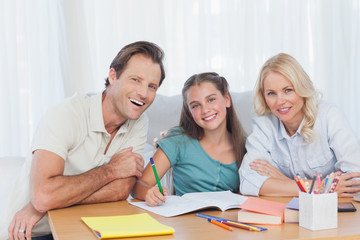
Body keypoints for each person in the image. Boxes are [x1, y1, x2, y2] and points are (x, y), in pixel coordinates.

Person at [3, 41, 166, 240]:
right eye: (135, 80)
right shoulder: (66, 114)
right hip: (28, 232)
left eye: (152, 86)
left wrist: (52, 200)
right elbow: (44, 195)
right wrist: (111, 170)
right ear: (113, 76)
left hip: (85, 228)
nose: (144, 93)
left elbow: (121, 189)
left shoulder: (138, 121)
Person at [239, 53, 360, 197]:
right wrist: (322, 187)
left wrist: (284, 182)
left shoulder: (329, 115)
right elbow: (248, 182)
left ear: (302, 88)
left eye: (288, 90)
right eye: (271, 93)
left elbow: (354, 180)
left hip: (337, 212)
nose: (280, 101)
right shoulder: (264, 124)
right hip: (289, 211)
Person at [132, 72, 247, 206]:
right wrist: (149, 192)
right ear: (189, 111)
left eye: (211, 100)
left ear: (227, 99)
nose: (205, 110)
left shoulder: (245, 146)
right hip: (187, 223)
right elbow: (139, 186)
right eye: (195, 105)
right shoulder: (177, 140)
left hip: (229, 223)